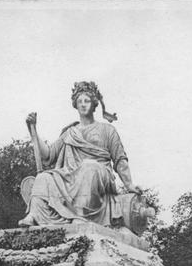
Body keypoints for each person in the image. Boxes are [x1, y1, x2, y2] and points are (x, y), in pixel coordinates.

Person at [18, 80, 144, 228]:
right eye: (80, 101)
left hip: (99, 175)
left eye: (87, 101)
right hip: (71, 175)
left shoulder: (107, 130)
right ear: (75, 105)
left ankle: (80, 216)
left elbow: (120, 159)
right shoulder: (70, 132)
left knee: (88, 166)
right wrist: (32, 129)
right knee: (44, 177)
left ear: (94, 104)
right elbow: (48, 155)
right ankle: (34, 215)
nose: (83, 104)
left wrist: (129, 184)